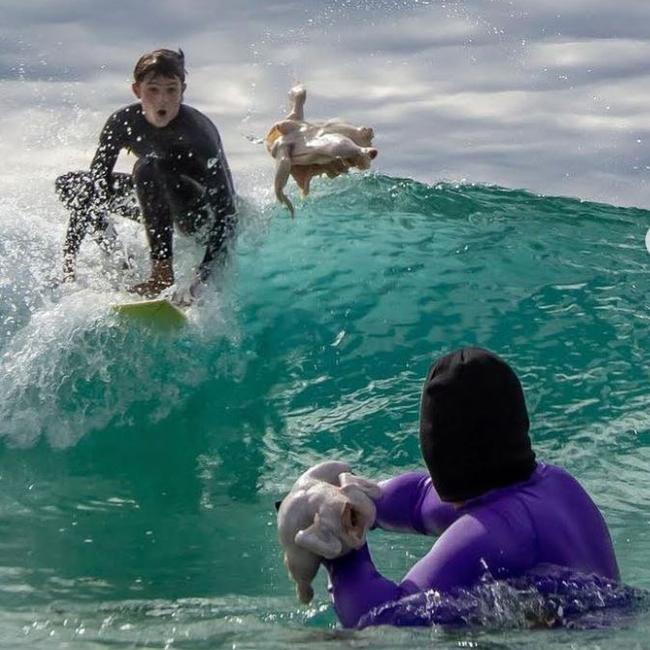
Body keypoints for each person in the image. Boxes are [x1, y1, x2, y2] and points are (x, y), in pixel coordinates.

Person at [324, 347, 620, 628]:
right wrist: (354, 500)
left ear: (438, 455)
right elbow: (416, 500)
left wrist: (341, 551)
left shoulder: (490, 532)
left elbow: (379, 618)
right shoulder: (557, 483)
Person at [55, 48, 236, 303]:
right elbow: (96, 189)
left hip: (196, 212)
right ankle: (122, 267)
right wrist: (69, 260)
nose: (162, 100)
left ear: (183, 90)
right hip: (156, 202)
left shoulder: (198, 135)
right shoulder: (122, 123)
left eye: (171, 90)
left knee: (147, 167)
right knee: (74, 186)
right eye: (153, 89)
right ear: (136, 90)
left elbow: (227, 216)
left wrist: (201, 279)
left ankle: (162, 276)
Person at [266, 85, 378, 217]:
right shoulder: (286, 141)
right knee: (331, 143)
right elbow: (283, 163)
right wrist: (279, 191)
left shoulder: (292, 128)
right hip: (333, 144)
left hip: (334, 144)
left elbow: (298, 98)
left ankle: (360, 150)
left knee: (330, 142)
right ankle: (361, 150)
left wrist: (279, 191)